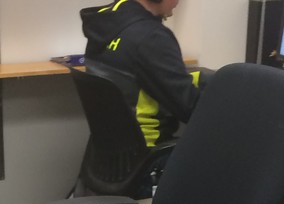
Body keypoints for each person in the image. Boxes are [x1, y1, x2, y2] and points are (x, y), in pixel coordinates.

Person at [82, 0, 204, 148]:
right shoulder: (152, 37)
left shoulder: (105, 20)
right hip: (149, 155)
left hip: (109, 158)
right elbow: (191, 110)